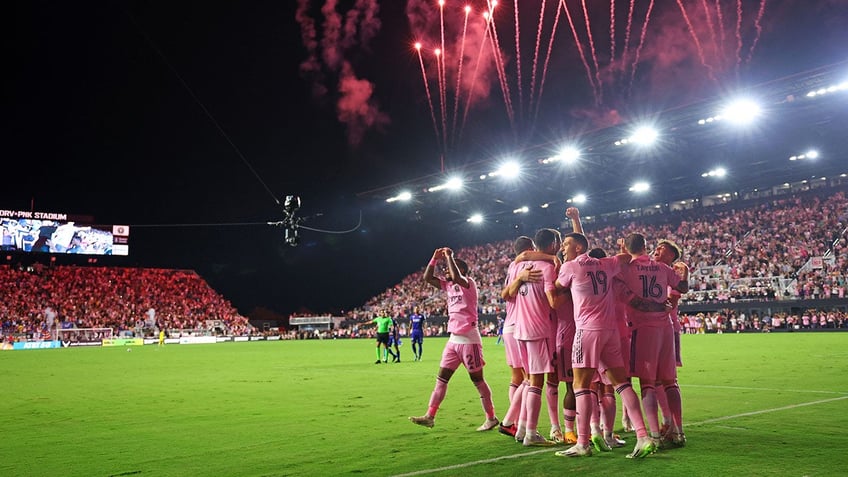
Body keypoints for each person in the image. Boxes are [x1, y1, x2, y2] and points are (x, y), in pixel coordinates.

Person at [553, 232, 656, 459]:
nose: (562, 247)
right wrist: (623, 249)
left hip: (587, 331)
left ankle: (582, 443)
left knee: (581, 386)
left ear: (579, 247)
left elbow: (557, 287)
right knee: (622, 384)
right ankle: (643, 436)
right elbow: (625, 258)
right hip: (610, 331)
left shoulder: (570, 266)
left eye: (566, 243)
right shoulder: (606, 264)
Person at [409, 247, 499, 432]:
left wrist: (450, 257)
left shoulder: (469, 283)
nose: (446, 272)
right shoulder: (448, 286)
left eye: (450, 269)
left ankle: (491, 418)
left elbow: (457, 277)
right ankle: (430, 416)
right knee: (441, 379)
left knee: (478, 381)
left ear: (461, 270)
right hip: (453, 340)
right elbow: (428, 278)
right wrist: (434, 259)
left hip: (469, 341)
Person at [616, 233, 689, 446]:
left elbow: (631, 299)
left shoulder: (627, 268)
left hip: (643, 329)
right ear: (646, 246)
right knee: (670, 382)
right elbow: (682, 288)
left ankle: (655, 436)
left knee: (647, 384)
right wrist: (686, 275)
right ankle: (678, 432)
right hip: (666, 327)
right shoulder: (663, 268)